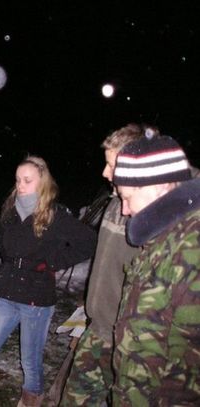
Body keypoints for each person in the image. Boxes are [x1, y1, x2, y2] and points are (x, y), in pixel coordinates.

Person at [0, 156, 96, 407]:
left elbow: (88, 242)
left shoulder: (54, 215)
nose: (20, 185)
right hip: (8, 292)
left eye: (27, 180)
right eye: (18, 180)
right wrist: (10, 259)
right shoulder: (10, 210)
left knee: (30, 362)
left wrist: (53, 261)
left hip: (37, 298)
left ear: (41, 182)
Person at [59, 124, 145, 405]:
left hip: (128, 342)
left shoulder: (153, 218)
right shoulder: (113, 204)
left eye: (112, 165)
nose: (105, 173)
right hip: (96, 330)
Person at [111, 134, 199, 405]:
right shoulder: (164, 239)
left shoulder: (191, 248)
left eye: (127, 197)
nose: (124, 210)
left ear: (159, 186)